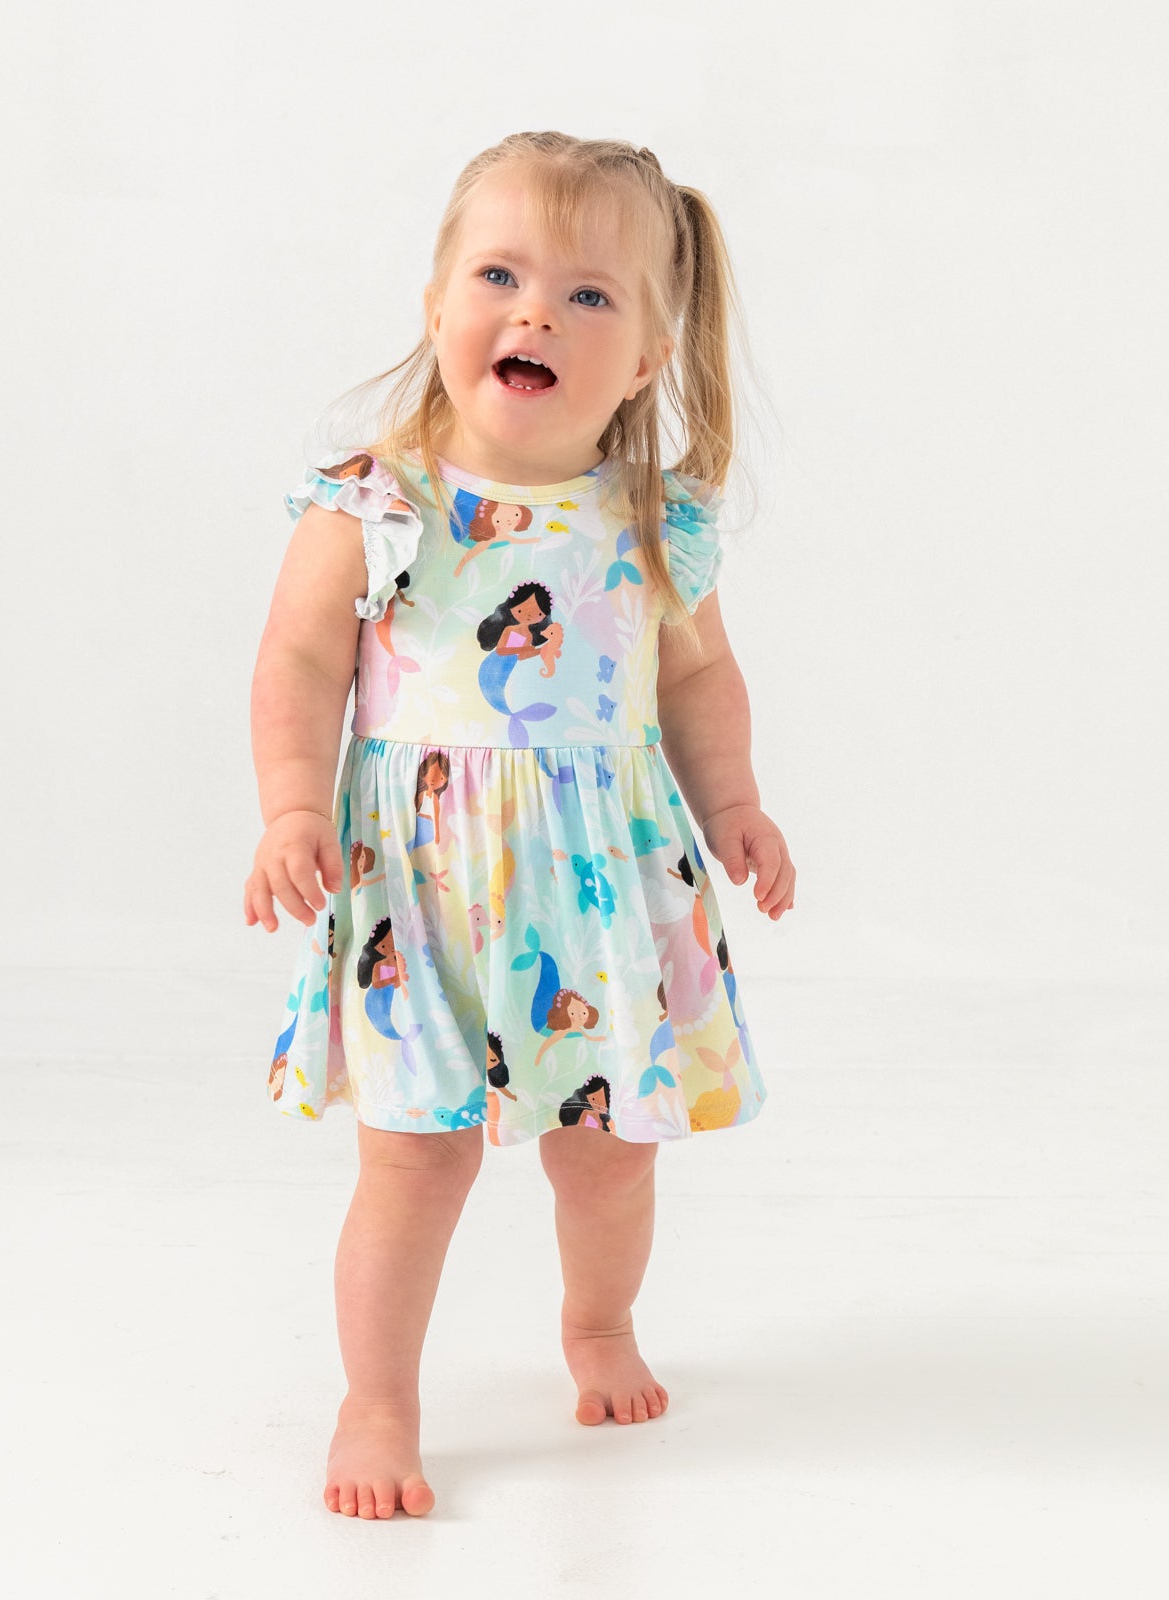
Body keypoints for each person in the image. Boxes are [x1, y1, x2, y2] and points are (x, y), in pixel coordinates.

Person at [244, 132, 796, 1521]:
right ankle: (378, 1400)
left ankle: (598, 1322)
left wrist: (734, 800)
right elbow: (299, 661)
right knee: (411, 1160)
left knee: (609, 1158)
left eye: (588, 294)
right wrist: (293, 804)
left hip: (599, 892)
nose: (535, 312)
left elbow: (696, 678)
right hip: (418, 897)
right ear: (439, 304)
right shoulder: (377, 503)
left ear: (650, 355)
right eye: (500, 275)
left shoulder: (651, 521)